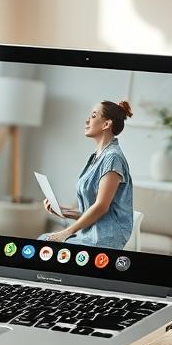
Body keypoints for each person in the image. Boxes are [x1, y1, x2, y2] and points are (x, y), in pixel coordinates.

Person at [38, 100, 134, 249]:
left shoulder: (113, 158)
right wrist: (64, 211)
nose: (87, 120)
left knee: (44, 245)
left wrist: (66, 232)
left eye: (94, 116)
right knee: (43, 240)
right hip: (90, 234)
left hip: (105, 238)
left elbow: (101, 208)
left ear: (106, 124)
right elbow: (95, 211)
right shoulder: (97, 157)